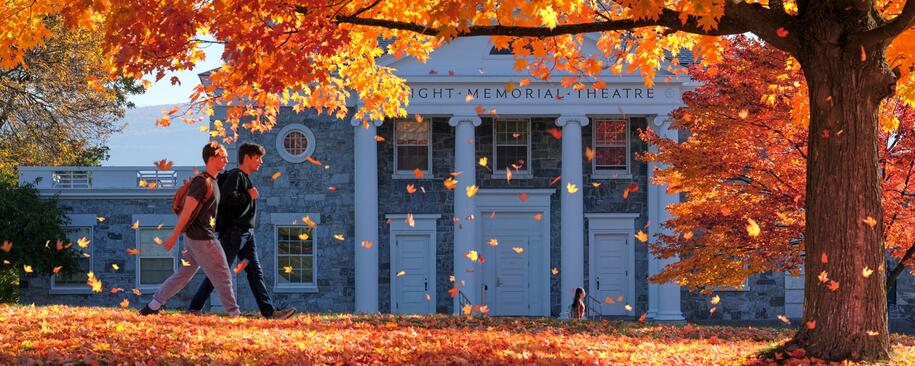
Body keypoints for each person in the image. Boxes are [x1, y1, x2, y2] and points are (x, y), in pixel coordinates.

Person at [187, 142, 296, 319]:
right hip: (235, 233)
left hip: (246, 233)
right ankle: (195, 307)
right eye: (258, 157)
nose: (261, 161)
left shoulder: (244, 177)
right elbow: (225, 198)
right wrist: (248, 196)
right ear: (247, 158)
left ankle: (269, 312)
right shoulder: (237, 175)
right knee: (220, 271)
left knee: (255, 272)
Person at [141, 142, 240, 316]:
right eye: (222, 156)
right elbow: (187, 211)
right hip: (202, 238)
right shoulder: (201, 183)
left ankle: (153, 306)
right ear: (211, 158)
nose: (226, 159)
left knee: (184, 274)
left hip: (195, 238)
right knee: (223, 272)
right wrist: (173, 236)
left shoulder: (213, 181)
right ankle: (234, 314)